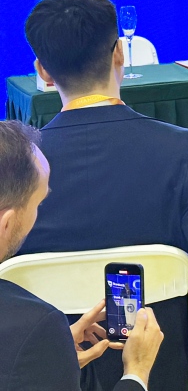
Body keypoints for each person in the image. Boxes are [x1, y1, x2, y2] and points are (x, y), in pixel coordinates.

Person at [20, 0, 188, 391]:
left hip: (45, 358)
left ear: (43, 72)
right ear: (119, 55)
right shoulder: (181, 150)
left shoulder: (16, 165)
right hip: (159, 356)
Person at [0, 120, 163, 391]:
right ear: (6, 224)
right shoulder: (34, 326)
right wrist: (137, 372)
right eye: (38, 203)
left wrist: (50, 361)